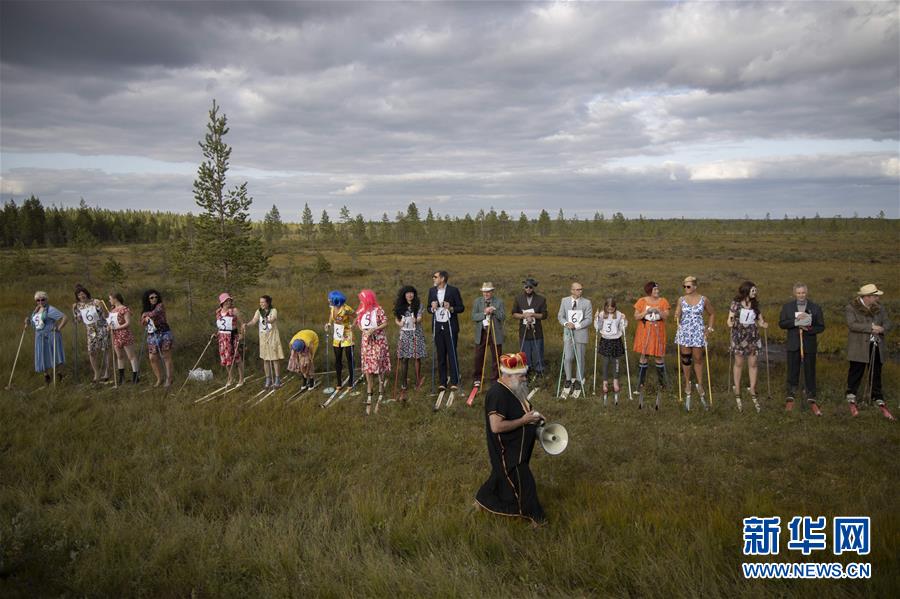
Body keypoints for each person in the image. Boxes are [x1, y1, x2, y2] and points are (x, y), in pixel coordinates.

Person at [474, 352, 546, 527]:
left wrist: (536, 417)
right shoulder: (497, 394)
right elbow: (496, 427)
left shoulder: (514, 388)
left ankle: (481, 501)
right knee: (525, 483)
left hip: (517, 447)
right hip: (507, 449)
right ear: (507, 375)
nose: (524, 379)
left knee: (500, 476)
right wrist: (524, 421)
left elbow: (524, 409)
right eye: (521, 376)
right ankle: (537, 520)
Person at [844, 284, 894, 420]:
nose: (877, 298)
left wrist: (882, 329)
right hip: (859, 346)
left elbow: (888, 323)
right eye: (875, 296)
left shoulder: (880, 308)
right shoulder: (851, 307)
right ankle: (851, 393)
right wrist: (871, 328)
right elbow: (852, 324)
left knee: (876, 370)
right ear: (867, 297)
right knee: (856, 369)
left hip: (877, 344)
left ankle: (877, 395)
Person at [778, 282, 825, 415]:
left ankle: (810, 392)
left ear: (807, 292)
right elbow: (781, 323)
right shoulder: (787, 307)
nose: (801, 295)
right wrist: (795, 322)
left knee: (810, 368)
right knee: (793, 368)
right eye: (798, 293)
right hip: (793, 343)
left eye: (803, 292)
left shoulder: (815, 308)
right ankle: (791, 391)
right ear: (794, 293)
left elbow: (821, 326)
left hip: (809, 344)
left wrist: (808, 328)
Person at [674, 276, 715, 410]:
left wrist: (709, 329)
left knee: (697, 358)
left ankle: (700, 383)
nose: (686, 288)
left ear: (695, 287)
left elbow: (712, 314)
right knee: (686, 359)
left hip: (698, 331)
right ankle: (687, 382)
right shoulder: (681, 299)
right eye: (684, 286)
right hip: (685, 331)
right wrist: (677, 316)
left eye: (688, 286)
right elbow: (678, 313)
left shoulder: (704, 300)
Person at [726, 282, 768, 412]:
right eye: (753, 290)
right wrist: (730, 323)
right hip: (739, 336)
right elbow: (729, 319)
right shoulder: (736, 303)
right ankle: (737, 387)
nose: (755, 292)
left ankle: (752, 388)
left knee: (753, 362)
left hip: (752, 336)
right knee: (739, 362)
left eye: (755, 290)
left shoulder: (755, 304)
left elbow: (760, 320)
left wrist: (763, 323)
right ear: (746, 291)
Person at [427, 270, 465, 391]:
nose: (433, 279)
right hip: (438, 327)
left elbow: (461, 307)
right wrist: (432, 308)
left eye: (435, 277)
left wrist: (451, 308)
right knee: (441, 354)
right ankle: (442, 382)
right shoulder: (432, 291)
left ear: (442, 279)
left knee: (452, 354)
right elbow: (428, 308)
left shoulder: (453, 290)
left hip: (450, 326)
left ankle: (454, 381)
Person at [633, 282, 670, 405]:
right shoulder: (642, 301)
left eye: (658, 289)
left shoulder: (663, 301)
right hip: (644, 331)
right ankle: (640, 383)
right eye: (655, 289)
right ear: (649, 290)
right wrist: (646, 313)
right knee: (644, 356)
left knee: (659, 356)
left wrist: (659, 311)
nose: (657, 291)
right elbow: (636, 317)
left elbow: (666, 317)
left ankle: (662, 384)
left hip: (658, 332)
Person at [357, 289, 391, 414]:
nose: (361, 300)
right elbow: (358, 323)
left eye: (362, 298)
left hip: (378, 340)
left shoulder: (379, 309)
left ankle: (381, 384)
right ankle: (369, 386)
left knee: (378, 362)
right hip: (366, 341)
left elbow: (386, 323)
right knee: (367, 363)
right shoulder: (361, 309)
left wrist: (374, 329)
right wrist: (364, 330)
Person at [556, 281, 593, 397]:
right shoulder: (564, 301)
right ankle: (568, 379)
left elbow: (589, 319)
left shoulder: (587, 302)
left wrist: (576, 326)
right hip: (568, 334)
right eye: (577, 289)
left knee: (580, 358)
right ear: (572, 290)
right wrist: (566, 323)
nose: (580, 291)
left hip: (580, 333)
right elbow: (560, 316)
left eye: (581, 289)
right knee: (568, 358)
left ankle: (578, 380)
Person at [392, 285, 426, 401]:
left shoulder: (418, 304)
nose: (410, 295)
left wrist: (416, 320)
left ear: (414, 294)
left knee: (417, 357)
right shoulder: (399, 305)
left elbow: (420, 317)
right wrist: (399, 323)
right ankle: (404, 383)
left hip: (416, 333)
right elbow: (396, 319)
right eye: (407, 293)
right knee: (404, 358)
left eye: (412, 293)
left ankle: (418, 380)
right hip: (405, 334)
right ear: (404, 294)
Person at [72, 283, 111, 383]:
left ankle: (107, 372)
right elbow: (78, 320)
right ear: (77, 297)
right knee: (91, 352)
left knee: (105, 350)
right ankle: (96, 373)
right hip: (90, 332)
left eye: (83, 294)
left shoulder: (95, 301)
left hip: (102, 328)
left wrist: (101, 305)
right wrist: (73, 311)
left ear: (86, 293)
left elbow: (107, 315)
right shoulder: (78, 306)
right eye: (79, 295)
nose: (82, 296)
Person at [244, 295, 284, 389]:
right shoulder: (259, 311)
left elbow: (273, 318)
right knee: (265, 359)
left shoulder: (273, 310)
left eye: (263, 302)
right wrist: (247, 324)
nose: (261, 304)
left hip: (272, 336)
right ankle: (268, 379)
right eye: (260, 302)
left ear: (268, 302)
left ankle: (277, 379)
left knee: (274, 358)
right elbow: (254, 321)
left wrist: (268, 320)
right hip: (263, 336)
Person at [511, 277, 548, 380]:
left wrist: (533, 315)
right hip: (524, 331)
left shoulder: (541, 299)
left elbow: (544, 315)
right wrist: (524, 316)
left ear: (533, 288)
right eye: (526, 287)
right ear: (523, 287)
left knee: (538, 351)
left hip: (537, 331)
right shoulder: (518, 298)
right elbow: (514, 313)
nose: (528, 289)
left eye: (530, 287)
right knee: (525, 352)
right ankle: (526, 371)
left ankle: (539, 371)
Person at [28, 291, 67, 385]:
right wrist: (27, 321)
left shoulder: (50, 310)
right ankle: (47, 377)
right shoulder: (36, 310)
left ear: (46, 299)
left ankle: (59, 375)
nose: (40, 302)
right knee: (42, 355)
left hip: (51, 335)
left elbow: (65, 317)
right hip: (39, 336)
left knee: (56, 355)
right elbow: (35, 322)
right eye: (38, 300)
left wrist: (58, 328)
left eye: (43, 299)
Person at [471, 282, 504, 389]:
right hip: (482, 332)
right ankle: (477, 378)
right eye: (484, 291)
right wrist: (484, 313)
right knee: (478, 356)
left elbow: (503, 317)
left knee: (496, 357)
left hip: (495, 333)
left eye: (488, 291)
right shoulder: (477, 301)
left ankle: (496, 379)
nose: (486, 293)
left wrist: (494, 311)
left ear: (492, 292)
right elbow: (474, 317)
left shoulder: (499, 301)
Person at [595, 297, 627, 403]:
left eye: (612, 308)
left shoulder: (618, 314)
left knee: (615, 361)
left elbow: (623, 327)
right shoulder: (601, 314)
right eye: (608, 308)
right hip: (605, 340)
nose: (610, 310)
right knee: (605, 361)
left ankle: (615, 381)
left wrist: (624, 319)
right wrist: (597, 319)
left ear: (615, 307)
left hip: (616, 340)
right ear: (605, 307)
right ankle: (605, 382)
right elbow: (598, 327)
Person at [140, 289, 174, 388]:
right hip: (152, 334)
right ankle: (159, 378)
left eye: (156, 297)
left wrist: (145, 316)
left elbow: (154, 313)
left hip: (164, 333)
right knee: (152, 357)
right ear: (148, 299)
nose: (154, 299)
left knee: (166, 356)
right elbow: (142, 323)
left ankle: (169, 379)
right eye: (151, 297)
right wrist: (144, 318)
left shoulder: (160, 306)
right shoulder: (145, 309)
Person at [325, 290, 356, 392]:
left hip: (347, 334)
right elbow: (331, 316)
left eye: (330, 298)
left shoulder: (346, 309)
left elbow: (356, 316)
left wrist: (353, 325)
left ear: (335, 299)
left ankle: (351, 381)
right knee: (337, 359)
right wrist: (329, 324)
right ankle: (339, 382)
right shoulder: (332, 307)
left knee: (349, 359)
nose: (328, 300)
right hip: (337, 335)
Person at [107, 292, 139, 384]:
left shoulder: (124, 309)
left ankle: (135, 376)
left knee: (131, 356)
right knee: (119, 356)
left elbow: (128, 322)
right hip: (115, 335)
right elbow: (110, 322)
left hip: (124, 334)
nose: (109, 301)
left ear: (115, 298)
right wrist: (109, 327)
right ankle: (121, 377)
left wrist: (117, 328)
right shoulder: (112, 311)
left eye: (110, 299)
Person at [215, 293, 244, 387]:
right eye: (226, 301)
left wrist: (241, 334)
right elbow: (220, 326)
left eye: (229, 300)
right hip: (222, 338)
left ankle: (241, 379)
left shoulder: (234, 311)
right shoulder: (218, 312)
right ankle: (231, 378)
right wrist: (216, 334)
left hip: (232, 337)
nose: (228, 302)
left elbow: (242, 324)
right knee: (226, 359)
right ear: (222, 302)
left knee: (237, 358)